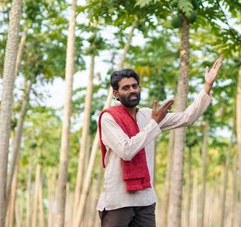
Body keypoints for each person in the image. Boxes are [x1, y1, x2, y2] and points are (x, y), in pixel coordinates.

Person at [96, 57, 223, 227]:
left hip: (146, 201)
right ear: (116, 94)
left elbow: (187, 117)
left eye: (135, 86)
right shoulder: (109, 118)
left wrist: (208, 86)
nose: (132, 90)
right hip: (118, 201)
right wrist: (154, 124)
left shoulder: (148, 115)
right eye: (126, 88)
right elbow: (126, 151)